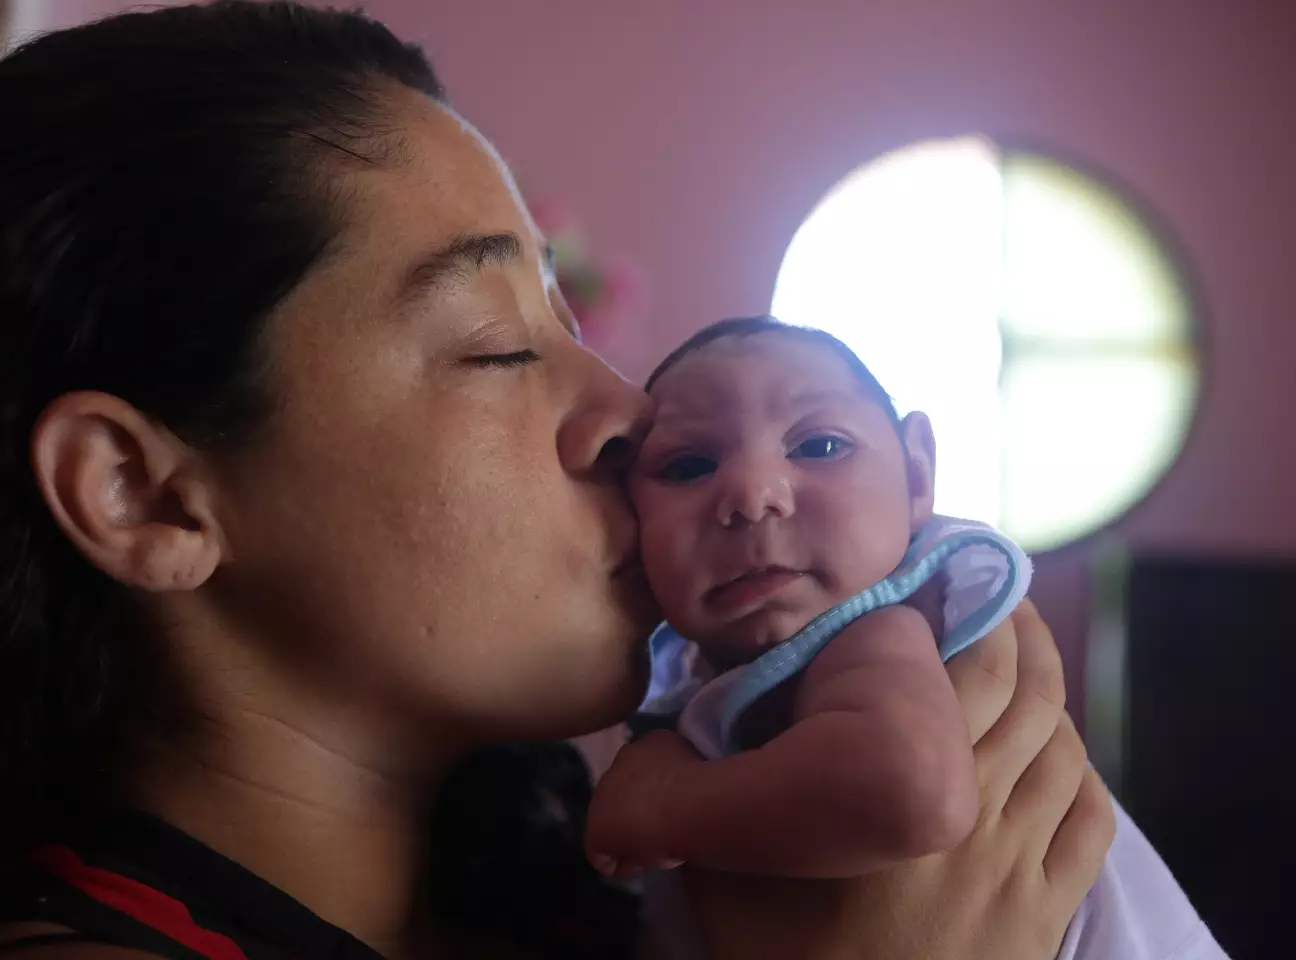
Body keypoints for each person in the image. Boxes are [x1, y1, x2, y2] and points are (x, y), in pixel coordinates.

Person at [0, 2, 1115, 958]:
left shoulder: (557, 900)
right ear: (142, 493)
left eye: (569, 320)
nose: (633, 414)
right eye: (498, 344)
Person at [587, 316, 1033, 879]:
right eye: (688, 466)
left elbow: (912, 791)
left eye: (820, 445)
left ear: (917, 474)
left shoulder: (882, 628)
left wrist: (669, 801)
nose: (752, 495)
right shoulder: (678, 674)